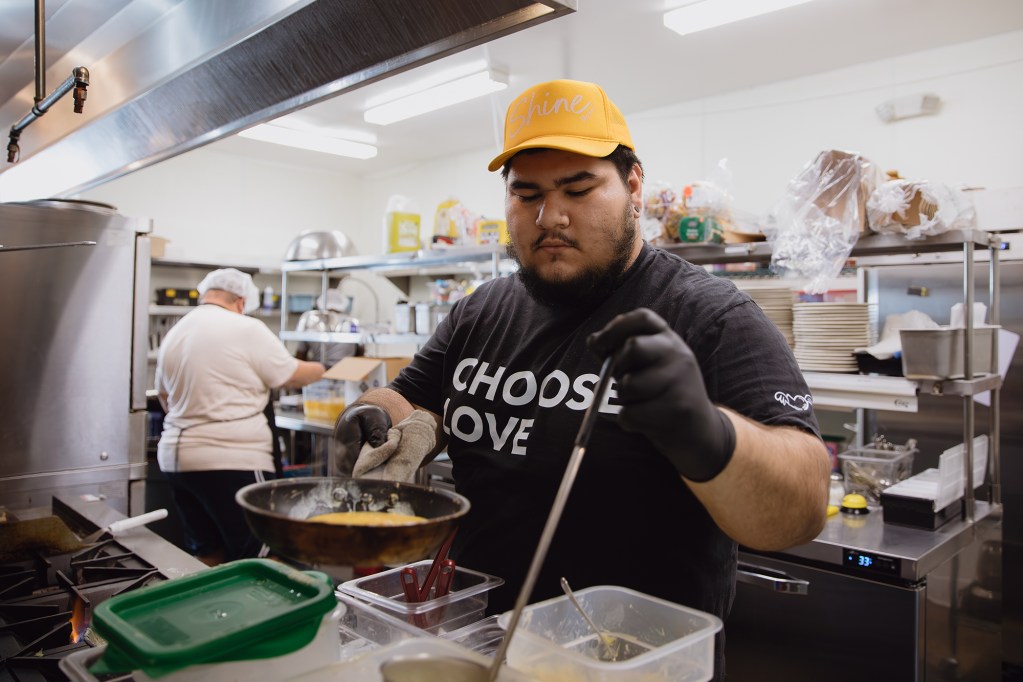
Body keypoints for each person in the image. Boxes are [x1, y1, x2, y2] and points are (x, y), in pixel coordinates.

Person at [332, 79, 829, 677]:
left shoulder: (712, 317)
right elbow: (413, 397)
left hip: (631, 659)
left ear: (634, 186)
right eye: (527, 194)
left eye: (578, 188)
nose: (550, 217)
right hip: (483, 644)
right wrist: (379, 415)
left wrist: (709, 435)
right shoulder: (480, 310)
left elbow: (802, 507)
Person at [156, 268, 325, 565]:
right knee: (265, 554)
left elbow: (164, 397)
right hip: (233, 461)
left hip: (176, 460)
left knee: (207, 553)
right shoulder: (246, 327)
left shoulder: (176, 332)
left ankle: (213, 610)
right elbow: (290, 374)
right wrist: (324, 368)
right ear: (241, 301)